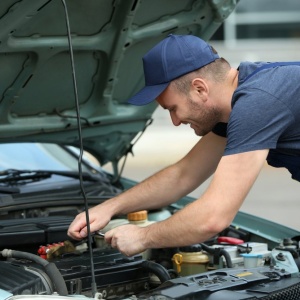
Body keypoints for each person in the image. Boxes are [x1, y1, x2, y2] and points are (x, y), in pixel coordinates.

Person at [68, 34, 300, 256]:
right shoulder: (239, 101)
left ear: (200, 89)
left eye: (172, 108)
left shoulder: (257, 102)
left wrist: (142, 237)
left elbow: (213, 217)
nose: (175, 121)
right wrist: (110, 207)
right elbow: (184, 174)